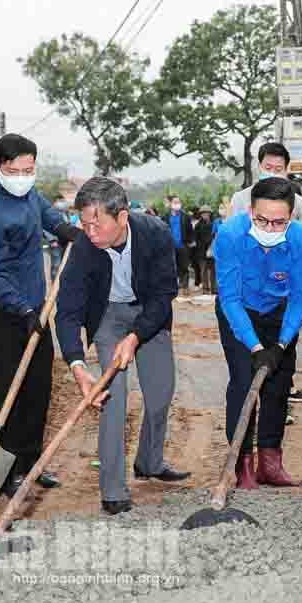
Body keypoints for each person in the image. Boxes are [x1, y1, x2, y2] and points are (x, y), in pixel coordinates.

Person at [56, 177, 189, 516]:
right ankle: (113, 489)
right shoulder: (84, 247)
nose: (90, 232)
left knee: (160, 394)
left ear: (122, 216)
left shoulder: (155, 233)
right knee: (112, 401)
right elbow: (67, 311)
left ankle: (150, 461)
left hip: (149, 315)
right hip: (108, 317)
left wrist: (136, 336)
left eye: (97, 223)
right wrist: (77, 365)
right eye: (84, 224)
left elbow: (164, 293)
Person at [0, 133, 79, 498]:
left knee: (38, 387)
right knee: (9, 390)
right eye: (15, 171)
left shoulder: (29, 194)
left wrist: (62, 227)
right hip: (2, 314)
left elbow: (44, 210)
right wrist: (23, 308)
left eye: (29, 170)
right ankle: (7, 470)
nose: (23, 177)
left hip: (35, 308)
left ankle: (31, 462)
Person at [214, 177, 302, 488]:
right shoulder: (230, 234)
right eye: (262, 220)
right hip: (239, 311)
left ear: (291, 216)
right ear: (250, 211)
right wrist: (256, 348)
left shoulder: (301, 238)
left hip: (279, 312)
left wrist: (281, 345)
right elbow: (229, 298)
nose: (270, 229)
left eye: (279, 222)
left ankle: (270, 463)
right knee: (244, 382)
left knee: (279, 384)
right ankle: (242, 463)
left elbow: (299, 297)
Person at [229, 142, 302, 223]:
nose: (272, 173)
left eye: (278, 169)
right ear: (259, 167)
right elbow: (233, 229)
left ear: (286, 170)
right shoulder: (240, 199)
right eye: (268, 168)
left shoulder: (297, 202)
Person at [163, 195, 195, 293]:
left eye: (178, 202)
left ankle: (185, 287)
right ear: (171, 204)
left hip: (183, 245)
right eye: (175, 202)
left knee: (184, 266)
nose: (177, 204)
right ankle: (174, 287)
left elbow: (190, 230)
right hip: (170, 247)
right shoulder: (165, 217)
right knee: (172, 267)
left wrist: (191, 241)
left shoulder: (185, 216)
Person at [45, 195, 69, 281]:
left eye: (63, 200)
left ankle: (61, 283)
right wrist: (52, 240)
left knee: (64, 264)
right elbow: (46, 228)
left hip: (64, 243)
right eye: (60, 200)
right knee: (56, 265)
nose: (63, 203)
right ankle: (55, 283)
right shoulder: (49, 214)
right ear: (55, 202)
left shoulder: (64, 213)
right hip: (56, 243)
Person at [194, 205, 215, 295]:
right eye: (203, 213)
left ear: (210, 214)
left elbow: (215, 236)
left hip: (212, 250)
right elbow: (196, 239)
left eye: (207, 213)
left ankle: (214, 289)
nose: (205, 215)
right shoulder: (198, 225)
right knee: (203, 271)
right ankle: (205, 289)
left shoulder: (214, 224)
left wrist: (211, 247)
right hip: (201, 252)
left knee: (214, 271)